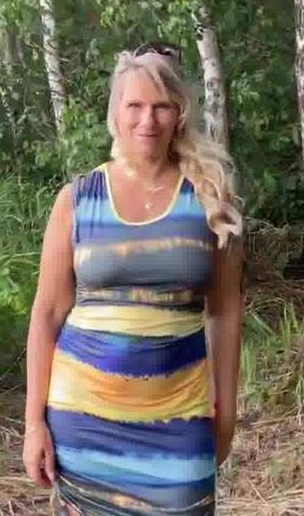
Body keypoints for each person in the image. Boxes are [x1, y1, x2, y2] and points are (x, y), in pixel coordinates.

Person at [21, 42, 245, 516]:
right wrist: (34, 423)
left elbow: (225, 313)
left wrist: (226, 412)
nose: (148, 120)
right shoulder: (77, 199)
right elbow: (47, 314)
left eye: (161, 106)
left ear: (179, 113)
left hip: (179, 422)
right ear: (116, 113)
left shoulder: (210, 199)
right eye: (135, 105)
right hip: (83, 427)